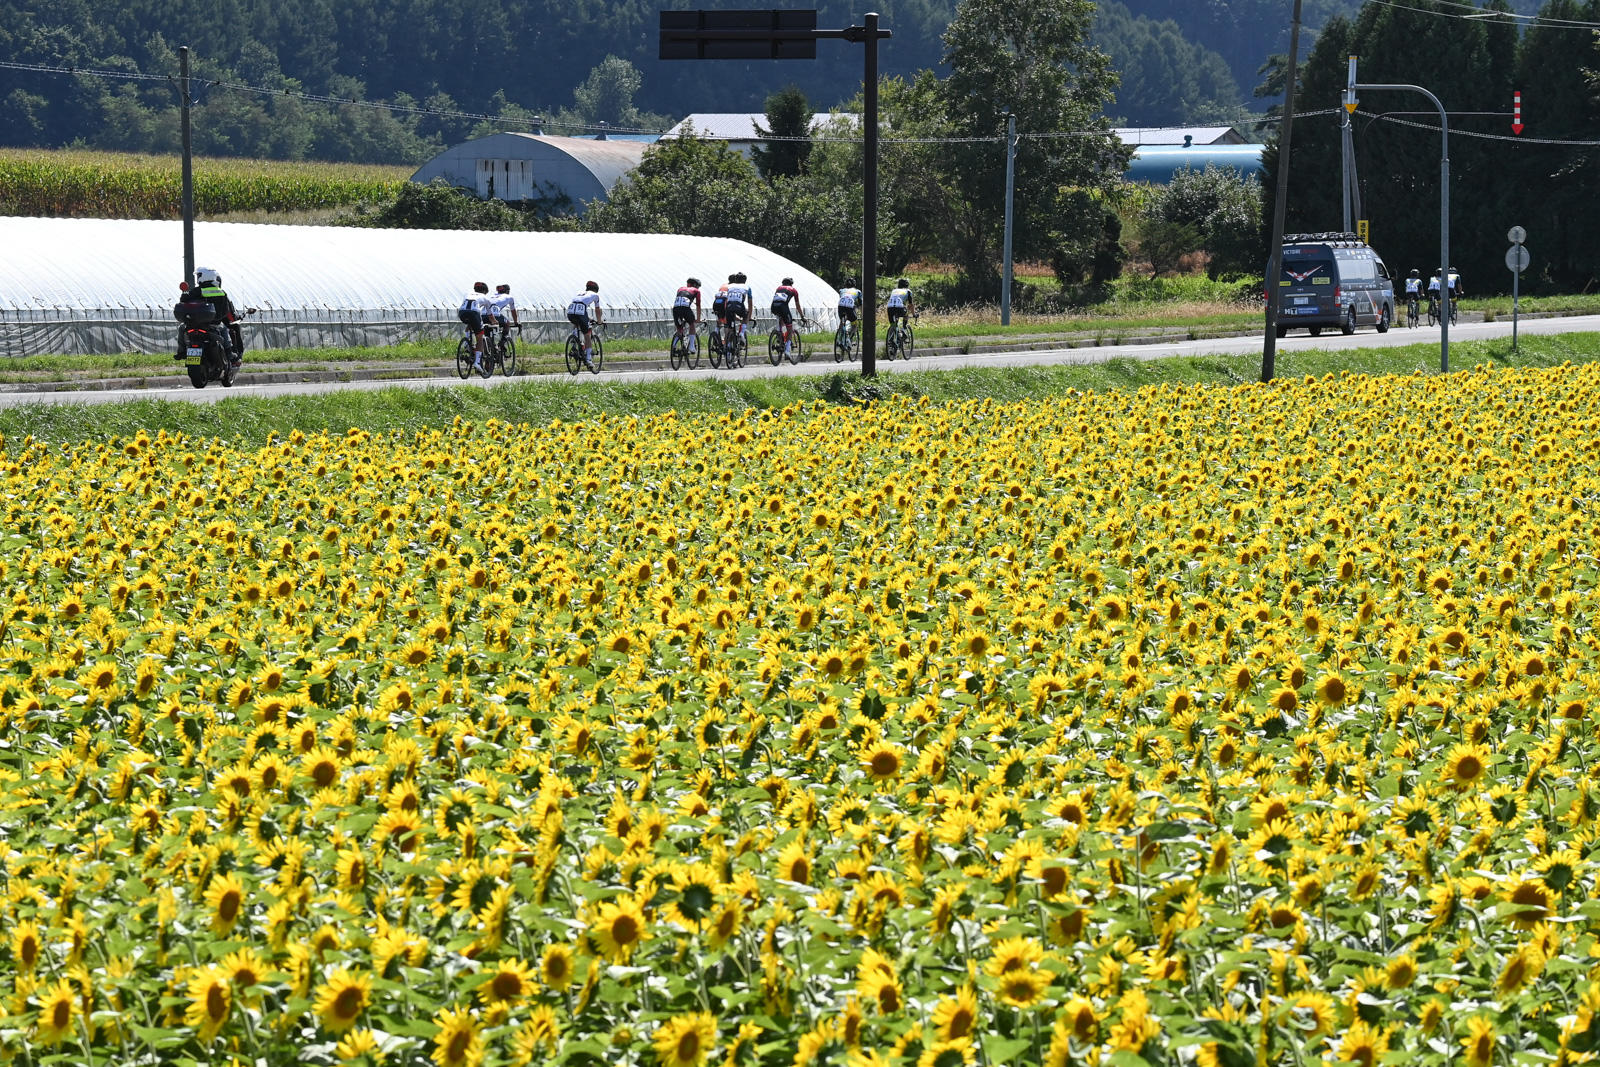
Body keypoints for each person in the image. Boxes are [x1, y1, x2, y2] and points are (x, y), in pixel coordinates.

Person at [193, 267, 245, 368]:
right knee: (224, 331)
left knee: (182, 329)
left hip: (196, 323)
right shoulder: (221, 292)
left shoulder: (195, 291)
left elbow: (184, 300)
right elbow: (226, 311)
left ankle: (181, 351)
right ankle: (229, 353)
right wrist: (220, 318)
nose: (197, 278)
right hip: (213, 323)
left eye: (199, 275)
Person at [567, 280, 603, 369]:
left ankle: (574, 342)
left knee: (577, 323)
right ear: (596, 290)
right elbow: (597, 310)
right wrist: (599, 321)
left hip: (570, 312)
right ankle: (588, 360)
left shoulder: (580, 292)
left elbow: (579, 305)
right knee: (587, 335)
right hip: (581, 312)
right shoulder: (595, 295)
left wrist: (588, 319)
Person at [458, 281, 493, 371]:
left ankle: (466, 343)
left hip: (462, 312)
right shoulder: (485, 298)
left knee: (469, 324)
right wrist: (495, 322)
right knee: (480, 337)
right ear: (485, 291)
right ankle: (477, 362)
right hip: (474, 313)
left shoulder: (467, 293)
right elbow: (490, 316)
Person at [770, 276, 803, 357]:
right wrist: (802, 316)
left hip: (773, 306)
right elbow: (797, 306)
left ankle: (779, 335)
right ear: (791, 284)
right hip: (783, 307)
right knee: (789, 327)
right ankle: (787, 351)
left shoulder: (779, 288)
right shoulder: (793, 290)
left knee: (780, 319)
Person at [673, 277, 703, 356]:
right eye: (698, 286)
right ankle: (691, 347)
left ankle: (673, 347)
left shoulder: (680, 289)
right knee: (692, 325)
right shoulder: (696, 291)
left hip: (675, 309)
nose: (698, 288)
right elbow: (698, 305)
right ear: (695, 285)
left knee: (679, 329)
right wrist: (698, 319)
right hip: (685, 309)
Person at [724, 272, 753, 343]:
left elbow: (726, 299)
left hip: (729, 306)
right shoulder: (747, 287)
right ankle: (742, 333)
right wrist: (749, 317)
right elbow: (750, 303)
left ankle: (728, 347)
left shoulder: (729, 286)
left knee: (730, 328)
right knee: (745, 315)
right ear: (745, 281)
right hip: (738, 306)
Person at [490, 283, 520, 348]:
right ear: (507, 291)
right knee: (507, 323)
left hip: (483, 315)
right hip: (495, 315)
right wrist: (516, 322)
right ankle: (502, 343)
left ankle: (488, 345)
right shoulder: (509, 297)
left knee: (487, 330)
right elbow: (513, 311)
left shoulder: (491, 296)